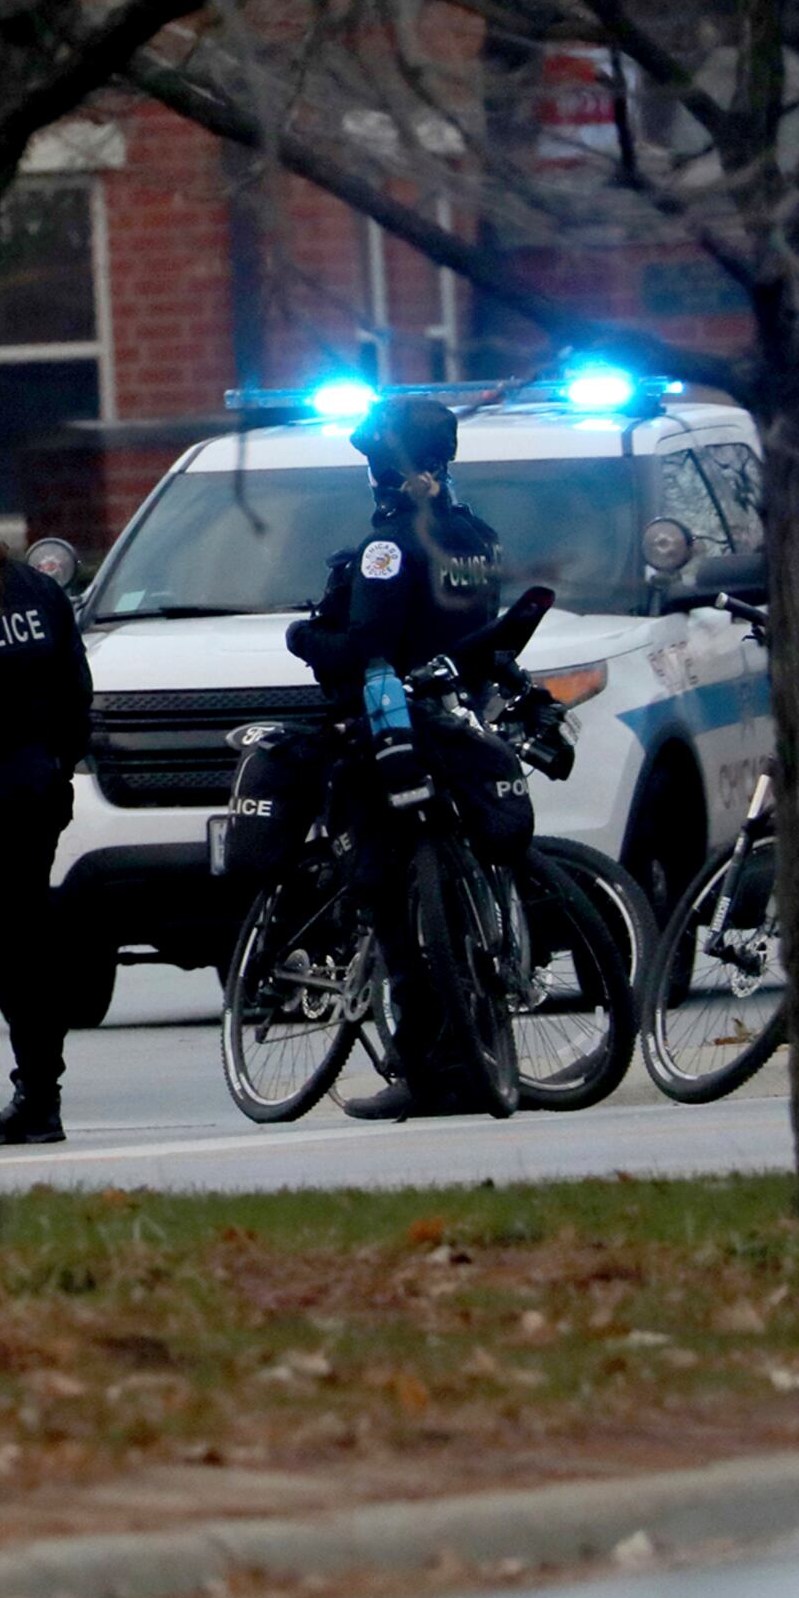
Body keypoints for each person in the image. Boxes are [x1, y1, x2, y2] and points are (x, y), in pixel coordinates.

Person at [286, 394, 505, 1120]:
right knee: (461, 905)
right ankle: (481, 1051)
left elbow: (364, 647)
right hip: (460, 732)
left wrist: (303, 638)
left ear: (383, 467)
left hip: (394, 739)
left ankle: (426, 1065)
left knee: (387, 899)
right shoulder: (475, 534)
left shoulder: (388, 545)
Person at [0, 456, 93, 1145]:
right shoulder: (37, 588)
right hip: (34, 788)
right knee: (25, 944)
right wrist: (55, 768)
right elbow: (77, 697)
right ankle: (40, 1097)